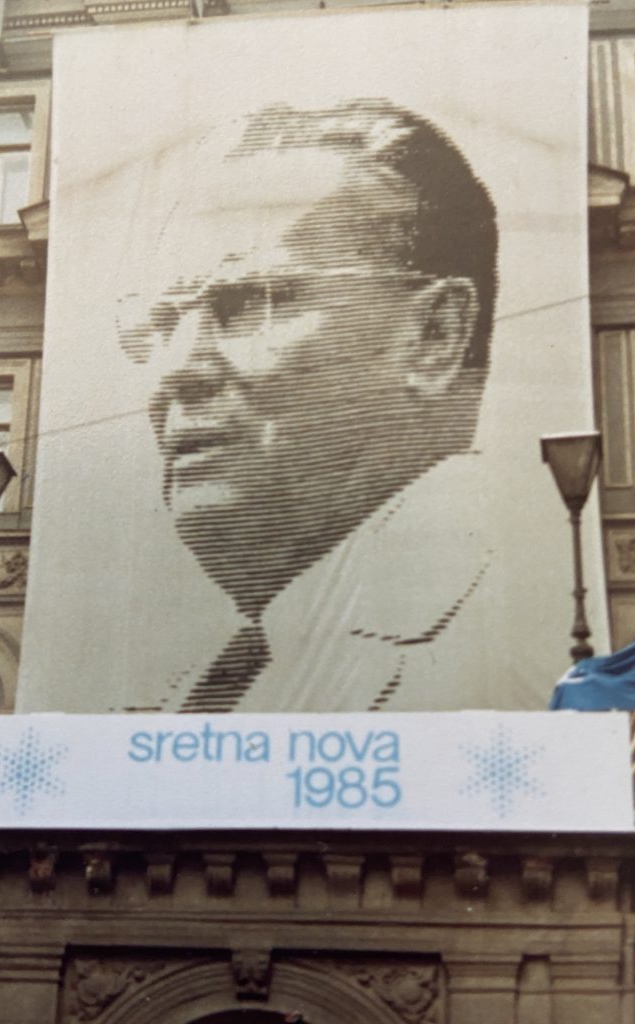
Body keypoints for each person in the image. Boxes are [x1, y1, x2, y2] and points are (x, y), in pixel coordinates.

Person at [116, 98, 498, 713]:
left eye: (249, 302)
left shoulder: (496, 638)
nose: (175, 371)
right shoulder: (230, 664)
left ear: (436, 336)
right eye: (161, 323)